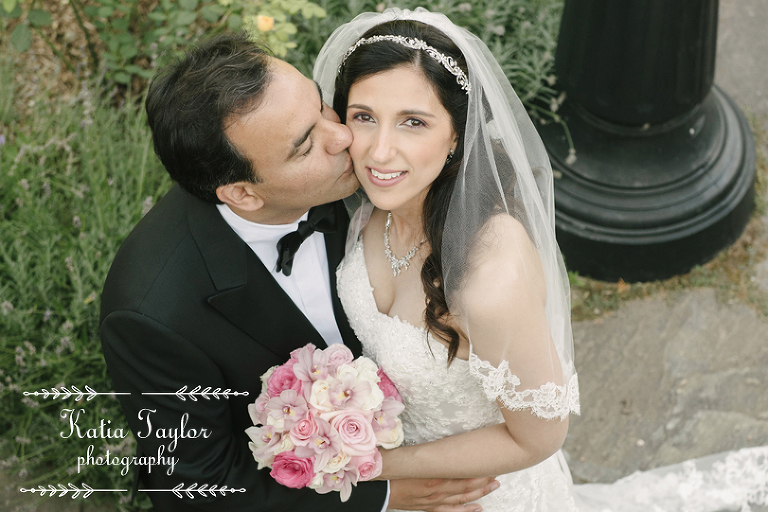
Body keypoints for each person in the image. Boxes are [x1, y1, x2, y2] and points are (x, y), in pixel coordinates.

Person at [315, 8, 768, 512]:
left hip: (476, 495)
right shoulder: (370, 205)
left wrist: (373, 467)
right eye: (364, 117)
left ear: (457, 136)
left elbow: (537, 438)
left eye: (414, 123)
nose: (379, 151)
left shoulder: (488, 278)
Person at [100, 31, 499, 512]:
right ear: (243, 193)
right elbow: (195, 485)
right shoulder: (152, 313)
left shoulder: (371, 171)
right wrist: (383, 498)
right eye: (306, 146)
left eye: (321, 107)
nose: (346, 137)